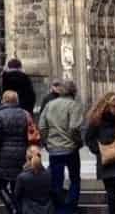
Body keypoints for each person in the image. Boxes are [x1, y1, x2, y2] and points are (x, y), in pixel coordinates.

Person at [39, 79, 85, 214]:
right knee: (75, 179)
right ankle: (70, 208)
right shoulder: (74, 105)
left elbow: (42, 126)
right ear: (74, 92)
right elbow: (74, 128)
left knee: (56, 182)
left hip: (54, 149)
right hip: (70, 149)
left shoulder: (50, 105)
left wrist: (46, 142)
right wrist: (78, 142)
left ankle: (58, 208)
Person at [86, 93, 115, 214]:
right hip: (106, 161)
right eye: (114, 106)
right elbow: (89, 139)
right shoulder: (97, 120)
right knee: (111, 193)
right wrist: (99, 151)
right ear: (106, 106)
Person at [0, 90, 31, 214]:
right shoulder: (24, 114)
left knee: (0, 185)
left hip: (4, 154)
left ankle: (13, 208)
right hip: (21, 153)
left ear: (4, 100)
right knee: (16, 184)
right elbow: (29, 134)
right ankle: (17, 208)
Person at [14, 145, 54, 214]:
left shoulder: (22, 177)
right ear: (40, 157)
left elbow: (17, 195)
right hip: (47, 210)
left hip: (29, 210)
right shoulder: (49, 174)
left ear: (26, 157)